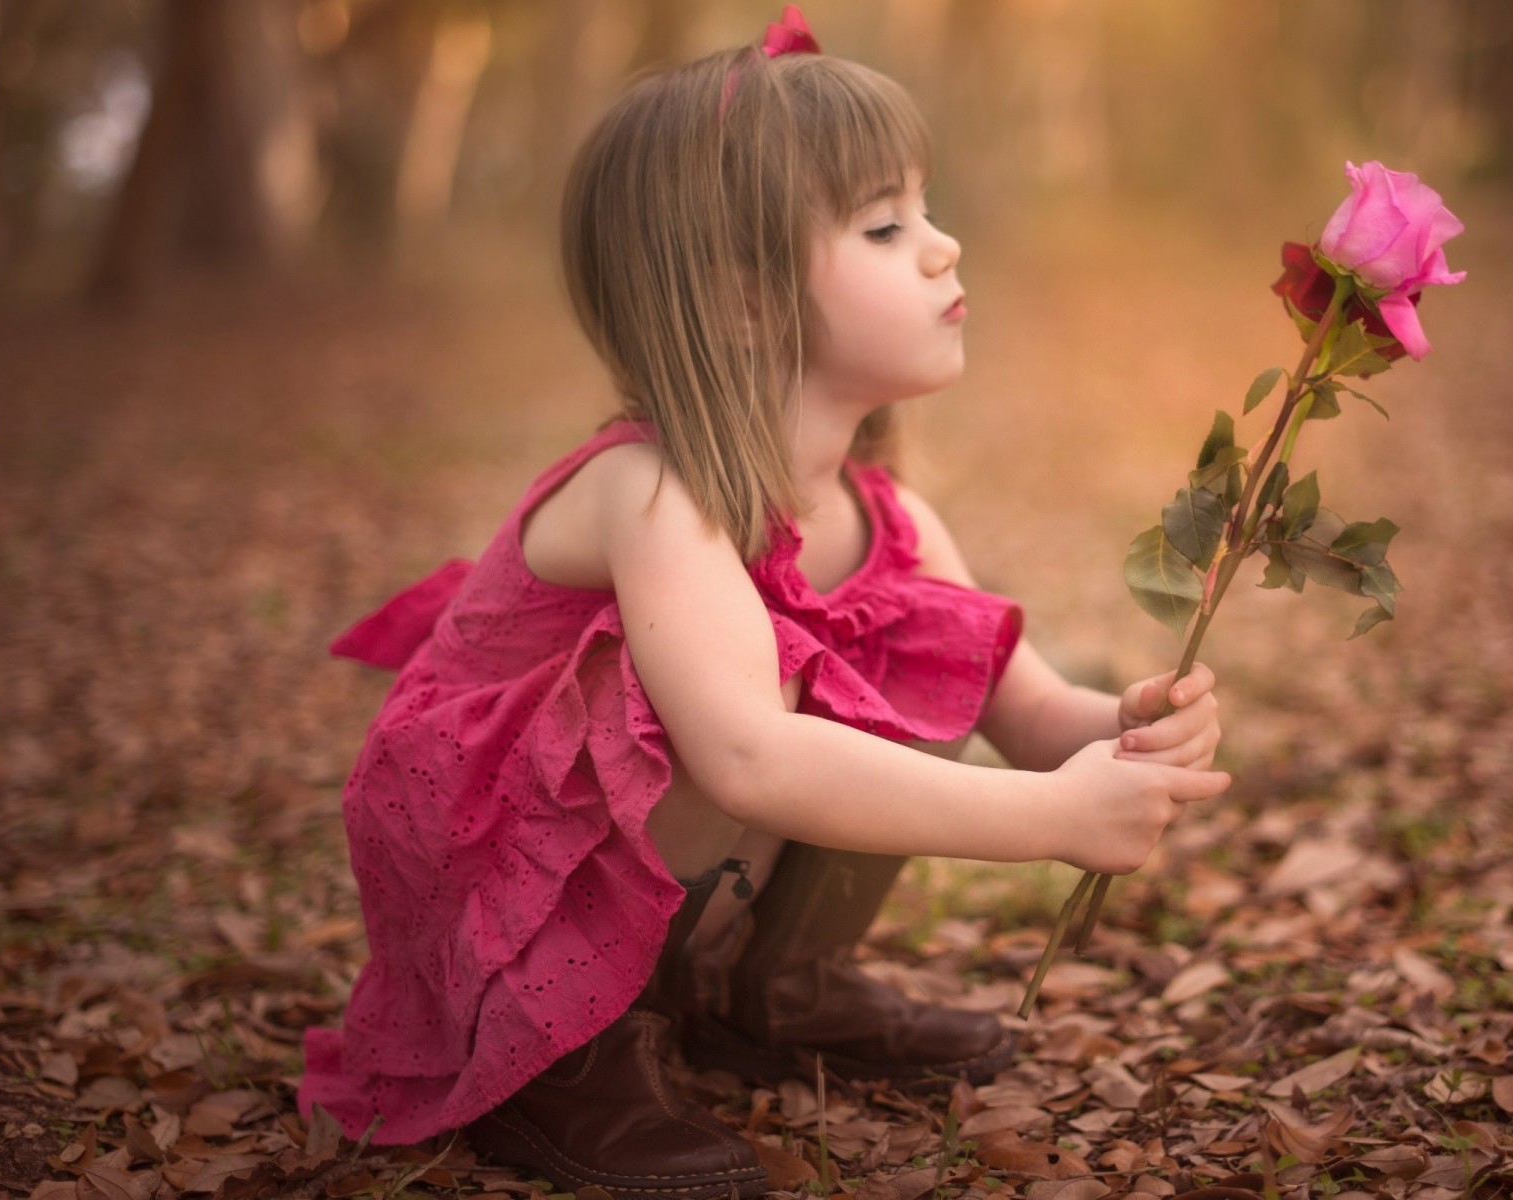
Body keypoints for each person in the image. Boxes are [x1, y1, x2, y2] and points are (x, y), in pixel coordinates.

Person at [296, 7, 1228, 1196]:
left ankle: (762, 986)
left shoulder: (886, 519)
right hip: (493, 860)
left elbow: (1028, 709)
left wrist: (1131, 730)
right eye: (887, 227)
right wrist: (1049, 821)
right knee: (758, 690)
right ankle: (557, 1050)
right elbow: (739, 756)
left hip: (643, 825)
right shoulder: (651, 491)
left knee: (908, 637)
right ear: (740, 298)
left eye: (926, 214)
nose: (944, 248)